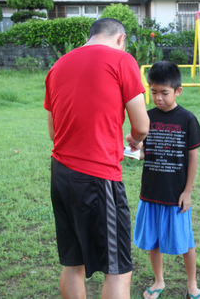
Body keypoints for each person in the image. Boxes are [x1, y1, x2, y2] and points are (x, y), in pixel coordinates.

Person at [43, 18, 149, 299]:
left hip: (61, 174)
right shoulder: (121, 59)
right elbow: (142, 125)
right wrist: (135, 142)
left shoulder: (57, 66)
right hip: (98, 176)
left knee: (72, 261)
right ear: (121, 39)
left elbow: (54, 132)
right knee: (117, 269)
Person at [133, 61, 200, 299]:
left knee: (186, 242)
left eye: (164, 93)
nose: (158, 98)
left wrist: (188, 192)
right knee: (153, 240)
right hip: (151, 191)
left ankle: (192, 284)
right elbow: (142, 153)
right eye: (153, 92)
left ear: (178, 91)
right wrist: (135, 147)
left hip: (176, 194)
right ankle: (158, 280)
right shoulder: (146, 117)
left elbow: (193, 157)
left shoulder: (187, 118)